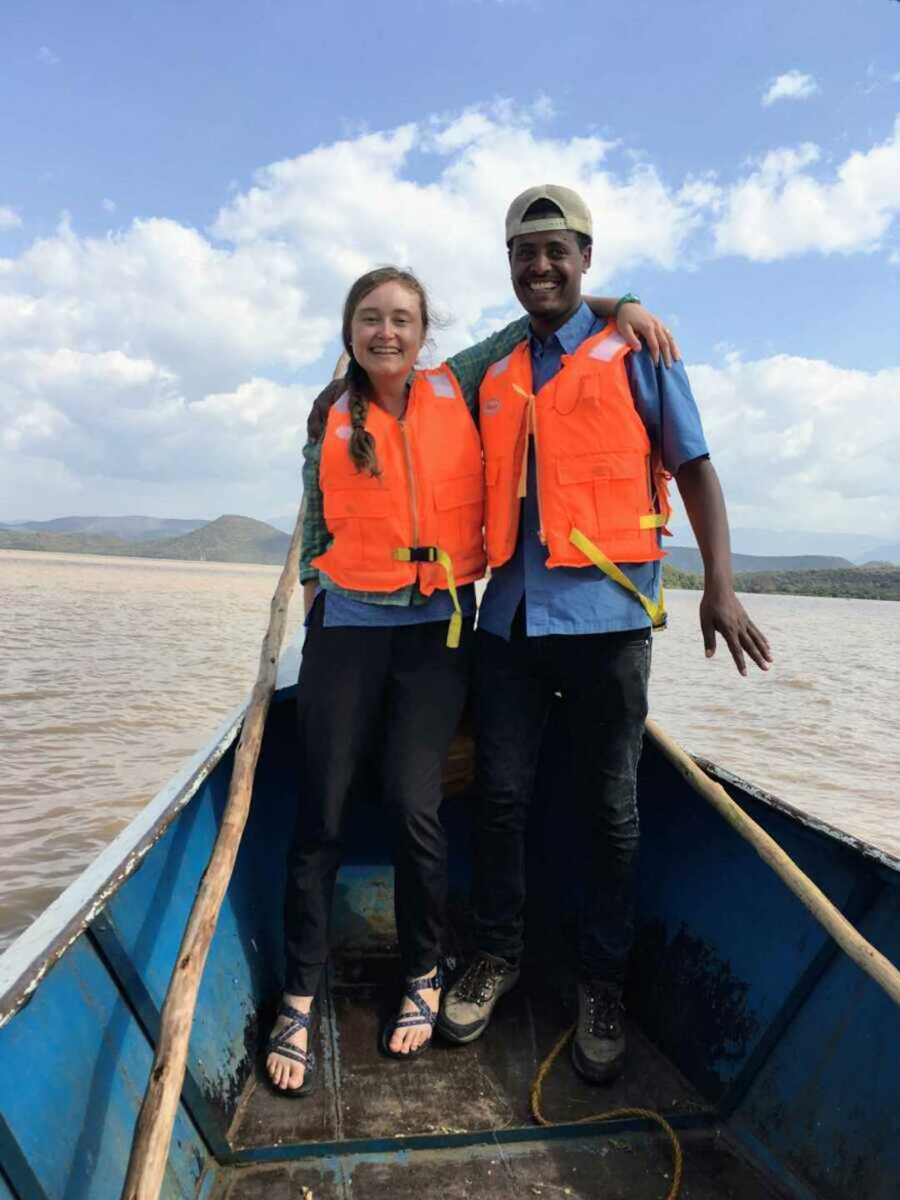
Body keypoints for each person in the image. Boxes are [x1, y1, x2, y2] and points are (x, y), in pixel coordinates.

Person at [266, 263, 677, 1094]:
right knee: (322, 813)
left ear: (424, 335)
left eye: (403, 320)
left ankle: (423, 972)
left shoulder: (458, 379)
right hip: (347, 624)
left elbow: (542, 317)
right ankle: (298, 995)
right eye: (371, 319)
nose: (387, 332)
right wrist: (315, 587)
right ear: (349, 332)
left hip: (437, 628)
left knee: (417, 804)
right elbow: (316, 515)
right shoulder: (327, 416)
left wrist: (622, 303)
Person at [437, 185, 773, 1085]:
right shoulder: (499, 374)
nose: (539, 267)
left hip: (610, 622)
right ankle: (497, 956)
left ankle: (602, 982)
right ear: (509, 268)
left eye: (557, 251)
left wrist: (722, 590)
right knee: (500, 798)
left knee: (610, 809)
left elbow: (696, 468)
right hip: (506, 620)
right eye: (523, 254)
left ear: (586, 258)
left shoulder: (639, 347)